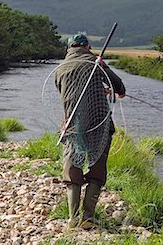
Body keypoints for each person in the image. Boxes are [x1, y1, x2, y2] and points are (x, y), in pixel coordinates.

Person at [55, 34, 125, 229]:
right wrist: (114, 89)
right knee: (97, 169)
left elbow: (68, 94)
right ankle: (88, 217)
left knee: (72, 168)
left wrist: (96, 90)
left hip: (72, 126)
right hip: (98, 125)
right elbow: (119, 86)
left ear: (69, 49)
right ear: (87, 47)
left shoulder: (60, 68)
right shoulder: (95, 62)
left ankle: (72, 218)